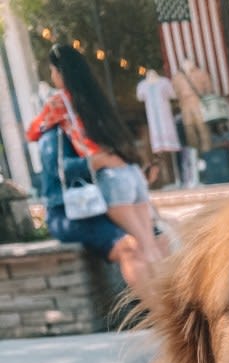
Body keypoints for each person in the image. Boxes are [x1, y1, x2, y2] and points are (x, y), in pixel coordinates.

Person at [26, 43, 163, 293]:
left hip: (106, 190)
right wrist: (102, 160)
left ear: (59, 73)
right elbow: (58, 171)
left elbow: (33, 131)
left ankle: (168, 313)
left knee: (148, 244)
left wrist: (99, 161)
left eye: (53, 72)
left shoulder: (61, 107)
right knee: (144, 245)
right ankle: (169, 312)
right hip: (105, 191)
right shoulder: (90, 108)